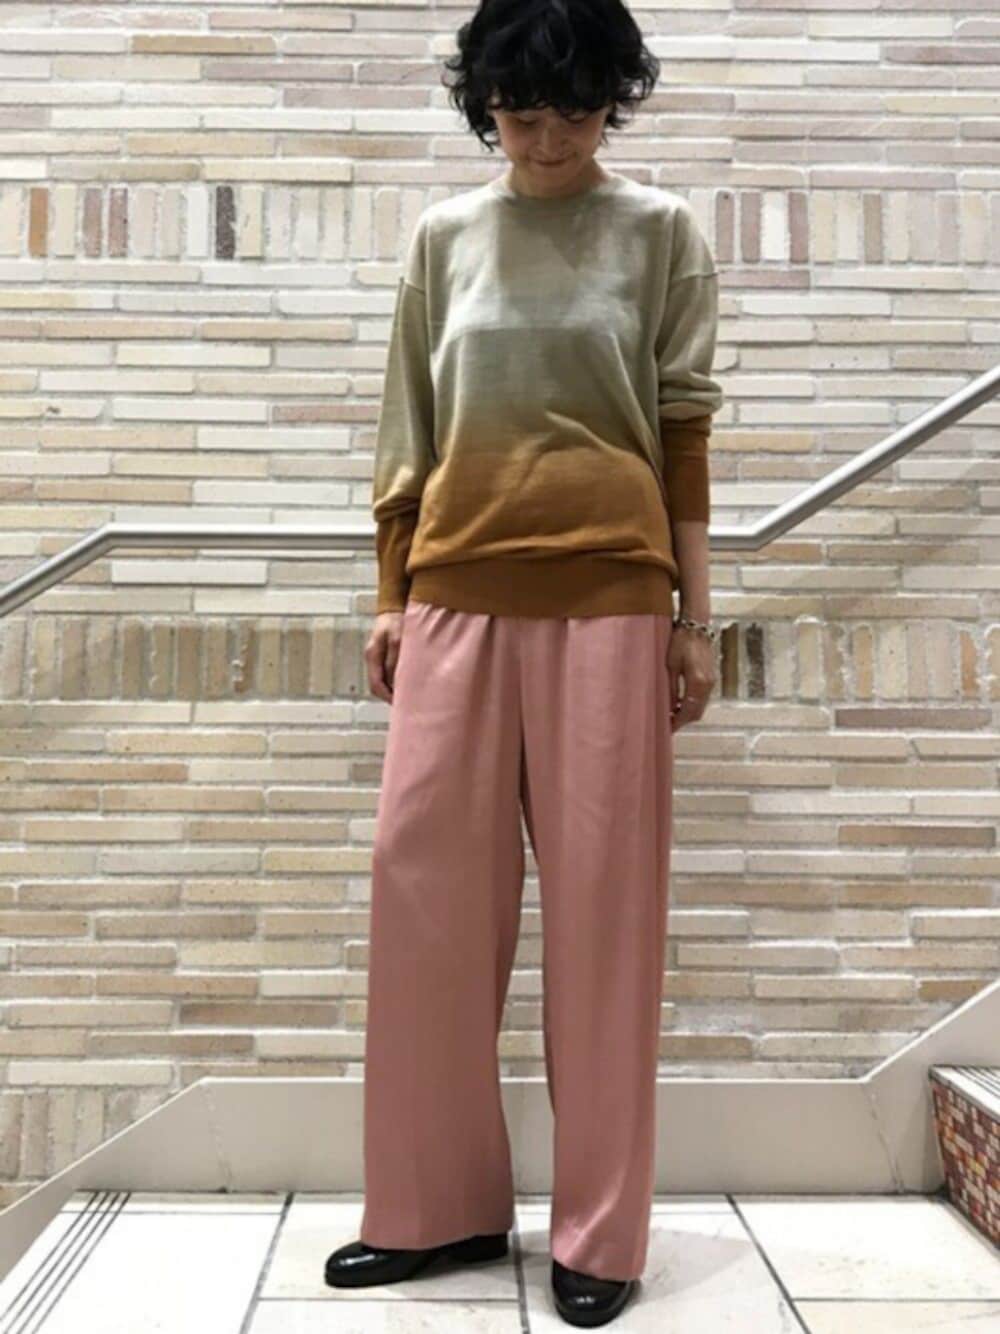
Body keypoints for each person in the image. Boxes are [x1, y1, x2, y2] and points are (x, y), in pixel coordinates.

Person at [324, 0, 723, 1324]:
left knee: (607, 921)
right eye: (520, 113)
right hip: (454, 597)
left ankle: (600, 1236)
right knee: (423, 902)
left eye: (576, 113)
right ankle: (435, 1208)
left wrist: (697, 616)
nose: (547, 140)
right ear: (483, 105)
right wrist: (392, 593)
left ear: (616, 102)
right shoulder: (446, 238)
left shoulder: (660, 233)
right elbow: (409, 424)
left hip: (613, 604)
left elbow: (682, 430)